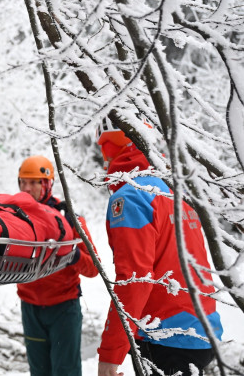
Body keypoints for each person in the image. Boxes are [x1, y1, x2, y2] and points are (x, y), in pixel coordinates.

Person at [95, 117, 223, 376]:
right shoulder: (174, 189)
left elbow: (134, 281)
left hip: (165, 339)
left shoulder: (131, 197)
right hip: (201, 331)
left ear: (110, 145)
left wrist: (110, 356)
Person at [15, 155, 99, 376]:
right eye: (23, 182)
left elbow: (94, 268)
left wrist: (72, 256)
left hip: (64, 308)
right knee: (39, 372)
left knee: (66, 371)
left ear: (48, 184)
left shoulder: (70, 219)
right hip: (30, 308)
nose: (27, 188)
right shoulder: (14, 217)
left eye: (34, 182)